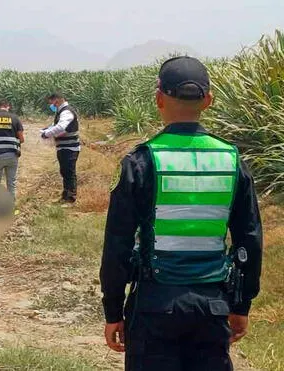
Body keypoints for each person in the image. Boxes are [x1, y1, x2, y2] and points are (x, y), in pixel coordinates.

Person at [100, 56, 263, 371]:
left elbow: (117, 244)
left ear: (159, 99)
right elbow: (250, 238)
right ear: (209, 100)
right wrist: (242, 304)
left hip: (154, 306)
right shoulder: (231, 160)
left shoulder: (141, 162)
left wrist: (113, 312)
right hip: (213, 306)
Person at [40, 93, 81, 203]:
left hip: (69, 148)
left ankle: (70, 198)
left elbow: (61, 127)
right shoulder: (61, 112)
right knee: (65, 172)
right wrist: (47, 129)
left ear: (57, 101)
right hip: (64, 148)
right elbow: (56, 126)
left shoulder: (66, 111)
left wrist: (47, 134)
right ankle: (65, 195)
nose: (51, 105)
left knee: (69, 173)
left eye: (51, 103)